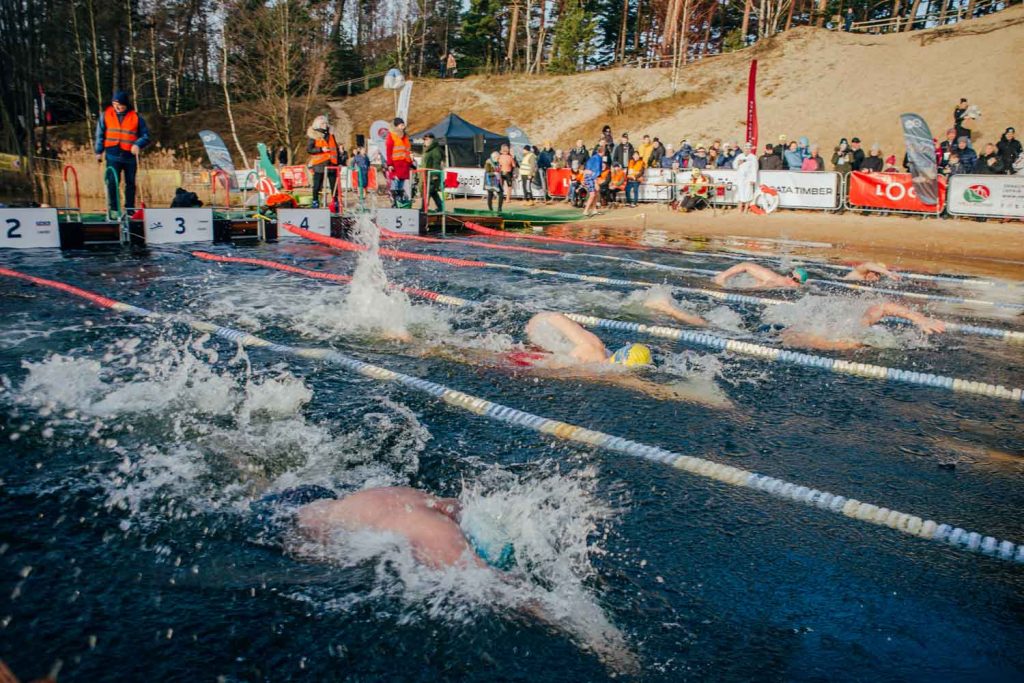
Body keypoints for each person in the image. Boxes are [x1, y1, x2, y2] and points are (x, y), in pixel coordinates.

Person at [779, 301, 945, 352]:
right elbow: (789, 337)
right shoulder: (834, 340)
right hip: (782, 334)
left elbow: (882, 307)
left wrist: (920, 319)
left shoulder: (857, 327)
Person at [94, 90, 150, 214]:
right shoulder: (106, 115)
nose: (118, 107)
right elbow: (100, 134)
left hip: (130, 156)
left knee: (130, 183)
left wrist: (138, 144)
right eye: (115, 104)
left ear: (126, 104)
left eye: (120, 105)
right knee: (112, 182)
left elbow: (146, 136)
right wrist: (98, 151)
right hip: (112, 155)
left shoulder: (136, 117)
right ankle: (114, 209)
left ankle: (129, 209)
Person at [714, 261, 898, 289]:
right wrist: (723, 276)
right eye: (875, 274)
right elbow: (867, 264)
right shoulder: (858, 274)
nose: (875, 278)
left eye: (878, 277)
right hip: (832, 283)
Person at [306, 115, 339, 208]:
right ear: (318, 125)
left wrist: (339, 162)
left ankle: (335, 202)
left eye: (326, 123)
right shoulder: (313, 135)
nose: (325, 125)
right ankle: (315, 201)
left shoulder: (331, 135)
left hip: (332, 163)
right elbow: (309, 149)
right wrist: (321, 149)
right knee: (317, 185)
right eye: (323, 123)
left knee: (334, 185)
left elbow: (335, 149)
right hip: (319, 164)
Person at [386, 117, 414, 207]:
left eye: (403, 125)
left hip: (404, 166)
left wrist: (410, 163)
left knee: (401, 188)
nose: (403, 127)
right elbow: (389, 151)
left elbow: (407, 151)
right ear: (397, 126)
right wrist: (390, 164)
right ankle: (394, 204)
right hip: (396, 166)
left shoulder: (405, 137)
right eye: (401, 125)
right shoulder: (391, 136)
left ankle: (400, 204)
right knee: (395, 187)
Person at [420, 133, 444, 212]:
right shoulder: (426, 150)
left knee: (427, 193)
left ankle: (424, 209)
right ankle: (441, 207)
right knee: (433, 193)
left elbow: (436, 163)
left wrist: (435, 175)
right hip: (425, 175)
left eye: (427, 139)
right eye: (424, 139)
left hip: (432, 175)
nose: (425, 141)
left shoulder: (435, 150)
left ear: (432, 139)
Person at [733, 142, 758, 214]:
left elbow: (754, 169)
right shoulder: (739, 156)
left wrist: (753, 179)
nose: (747, 150)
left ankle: (746, 209)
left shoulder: (753, 157)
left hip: (748, 179)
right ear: (744, 148)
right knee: (739, 193)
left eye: (749, 148)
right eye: (746, 148)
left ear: (750, 149)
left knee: (748, 193)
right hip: (740, 178)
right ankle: (740, 209)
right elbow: (734, 165)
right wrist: (738, 163)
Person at [582, 147, 603, 217]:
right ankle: (585, 211)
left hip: (589, 176)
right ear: (603, 152)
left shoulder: (596, 157)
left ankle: (594, 209)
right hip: (590, 177)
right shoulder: (597, 158)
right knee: (592, 194)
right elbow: (595, 172)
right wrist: (596, 182)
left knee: (596, 192)